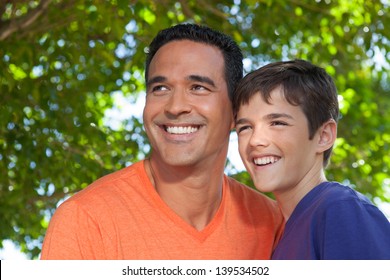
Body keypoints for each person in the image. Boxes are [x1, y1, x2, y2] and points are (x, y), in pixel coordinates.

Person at [40, 23, 284, 260]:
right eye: (160, 88)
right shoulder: (86, 220)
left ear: (235, 113)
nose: (175, 107)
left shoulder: (272, 223)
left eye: (198, 87)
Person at [233, 59, 390, 260]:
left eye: (278, 123)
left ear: (324, 136)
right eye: (245, 127)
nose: (255, 140)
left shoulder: (339, 209)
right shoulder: (275, 235)